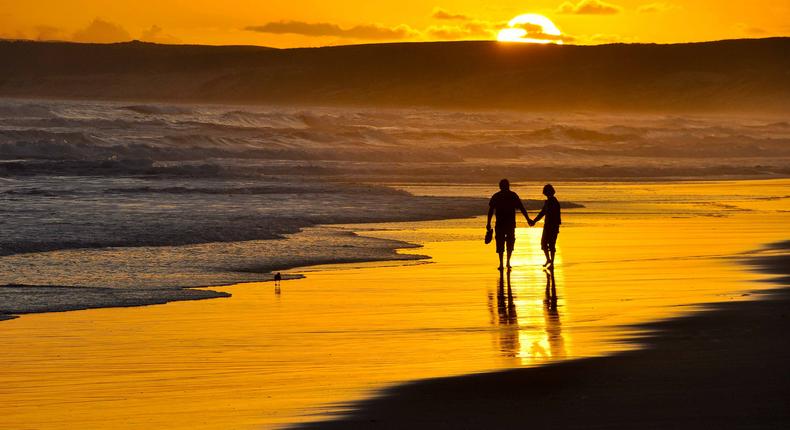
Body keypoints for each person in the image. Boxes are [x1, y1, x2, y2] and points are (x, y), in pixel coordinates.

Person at [487, 179, 531, 271]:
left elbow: (491, 211)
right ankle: (507, 262)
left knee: (500, 243)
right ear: (508, 186)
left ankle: (502, 263)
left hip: (501, 224)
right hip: (509, 224)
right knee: (509, 243)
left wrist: (488, 223)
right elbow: (522, 208)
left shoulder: (497, 196)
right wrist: (527, 219)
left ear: (500, 186)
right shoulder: (512, 195)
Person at [529, 184, 561, 267]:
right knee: (545, 243)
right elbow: (542, 213)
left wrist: (534, 221)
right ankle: (549, 260)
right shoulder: (550, 201)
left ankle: (551, 262)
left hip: (552, 226)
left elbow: (543, 213)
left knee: (550, 244)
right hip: (549, 226)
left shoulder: (552, 202)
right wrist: (534, 221)